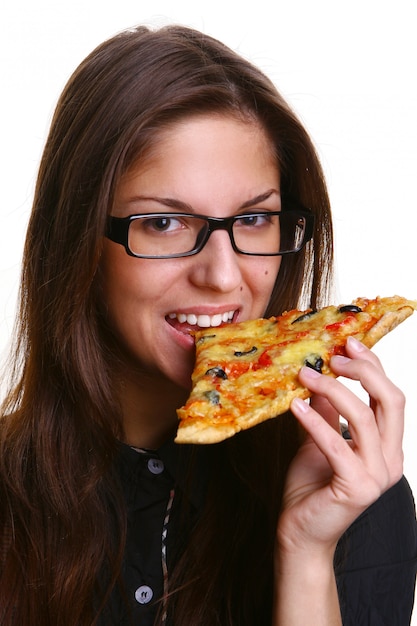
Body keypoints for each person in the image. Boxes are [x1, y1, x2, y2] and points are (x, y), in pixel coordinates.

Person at [0, 23, 416, 626]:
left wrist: (306, 553)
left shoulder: (353, 494)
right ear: (80, 240)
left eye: (253, 220)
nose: (223, 277)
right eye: (164, 224)